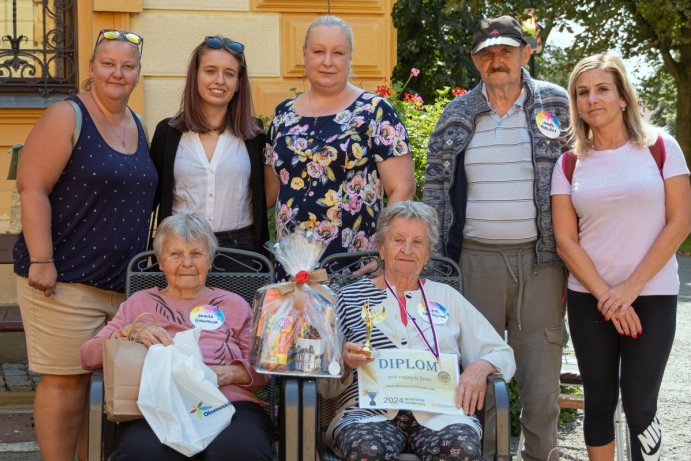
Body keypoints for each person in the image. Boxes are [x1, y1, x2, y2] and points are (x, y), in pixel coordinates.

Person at [423, 15, 570, 461]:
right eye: (486, 53)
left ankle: (539, 456)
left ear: (527, 53)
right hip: (474, 261)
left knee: (541, 384)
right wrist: (436, 263)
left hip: (541, 262)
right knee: (476, 379)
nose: (497, 60)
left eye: (506, 50)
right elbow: (434, 189)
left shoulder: (556, 104)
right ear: (475, 62)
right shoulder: (458, 114)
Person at [12, 29, 156, 461]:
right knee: (64, 381)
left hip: (118, 286)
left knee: (97, 385)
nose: (118, 72)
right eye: (108, 63)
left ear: (137, 74)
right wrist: (42, 259)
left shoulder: (137, 123)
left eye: (127, 66)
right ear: (91, 67)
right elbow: (31, 186)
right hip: (65, 280)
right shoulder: (67, 115)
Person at [551, 54, 691, 461]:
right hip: (589, 298)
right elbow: (566, 241)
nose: (592, 99)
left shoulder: (662, 148)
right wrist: (608, 297)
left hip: (652, 295)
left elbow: (680, 222)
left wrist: (628, 291)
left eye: (602, 89)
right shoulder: (569, 162)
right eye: (582, 92)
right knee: (597, 402)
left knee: (641, 404)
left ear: (623, 97)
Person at [319, 200, 515, 461]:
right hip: (369, 413)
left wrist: (481, 366)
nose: (407, 250)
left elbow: (501, 352)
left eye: (418, 242)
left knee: (460, 449)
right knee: (367, 451)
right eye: (398, 239)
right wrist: (343, 363)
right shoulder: (348, 298)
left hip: (441, 414)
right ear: (381, 247)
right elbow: (324, 384)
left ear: (429, 251)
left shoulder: (446, 297)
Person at [80, 213, 274, 460]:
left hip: (228, 404)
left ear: (210, 260)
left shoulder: (234, 304)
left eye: (196, 253)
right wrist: (128, 332)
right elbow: (87, 356)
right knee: (143, 453)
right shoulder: (139, 303)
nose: (186, 263)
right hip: (158, 408)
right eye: (175, 254)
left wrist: (222, 374)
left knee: (241, 451)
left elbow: (262, 371)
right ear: (160, 262)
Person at [264, 15, 415, 272]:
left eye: (338, 53)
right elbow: (269, 191)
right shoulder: (283, 115)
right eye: (318, 51)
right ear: (304, 54)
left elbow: (403, 187)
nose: (327, 61)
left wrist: (383, 256)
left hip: (357, 267)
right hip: (292, 269)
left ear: (350, 58)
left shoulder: (375, 111)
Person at [150, 36, 268, 270]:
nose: (220, 81)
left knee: (239, 308)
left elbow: (268, 196)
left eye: (229, 73)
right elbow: (151, 198)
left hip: (240, 251)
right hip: (180, 250)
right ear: (195, 76)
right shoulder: (168, 133)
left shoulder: (255, 136)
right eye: (210, 71)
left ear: (238, 83)